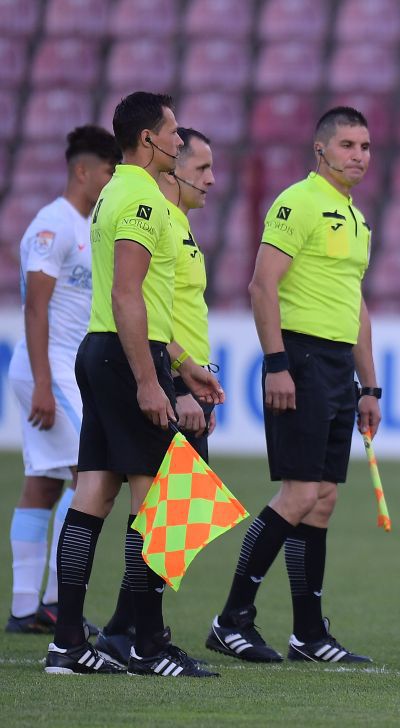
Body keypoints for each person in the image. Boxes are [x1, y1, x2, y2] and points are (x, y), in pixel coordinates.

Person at [44, 92, 223, 677]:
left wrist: (180, 362)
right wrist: (152, 380)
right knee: (157, 500)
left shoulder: (114, 193)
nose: (178, 140)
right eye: (172, 133)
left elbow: (133, 300)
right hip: (126, 359)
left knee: (93, 493)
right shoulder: (144, 199)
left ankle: (68, 642)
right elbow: (128, 294)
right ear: (148, 139)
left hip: (102, 351)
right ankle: (147, 643)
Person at [206, 106, 380, 664]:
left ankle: (308, 634)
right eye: (349, 145)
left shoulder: (356, 219)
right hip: (299, 361)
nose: (360, 155)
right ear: (321, 150)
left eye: (366, 145)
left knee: (323, 502)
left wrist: (370, 388)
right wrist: (277, 362)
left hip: (337, 371)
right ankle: (231, 618)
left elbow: (356, 307)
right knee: (299, 494)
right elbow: (262, 286)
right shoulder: (296, 203)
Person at [95, 127, 218, 667]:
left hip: (187, 383)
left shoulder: (181, 226)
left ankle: (126, 626)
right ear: (171, 168)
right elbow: (142, 310)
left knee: (180, 517)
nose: (212, 179)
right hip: (170, 384)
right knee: (164, 511)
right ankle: (140, 633)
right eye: (201, 168)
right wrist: (173, 380)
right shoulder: (157, 220)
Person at [7, 126, 120, 635]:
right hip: (48, 368)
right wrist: (44, 384)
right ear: (83, 171)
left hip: (64, 370)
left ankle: (25, 606)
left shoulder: (90, 223)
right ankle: (55, 602)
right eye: (108, 171)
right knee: (90, 477)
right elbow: (35, 309)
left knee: (44, 485)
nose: (112, 179)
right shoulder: (51, 225)